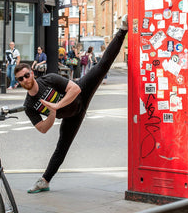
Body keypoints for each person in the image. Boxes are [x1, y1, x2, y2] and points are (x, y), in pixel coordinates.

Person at [15, 15, 128, 194]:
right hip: (71, 116)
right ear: (19, 82)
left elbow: (75, 89)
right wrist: (52, 113)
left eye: (26, 75)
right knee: (61, 148)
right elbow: (43, 129)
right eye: (20, 79)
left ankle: (122, 30)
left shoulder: (49, 79)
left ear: (32, 74)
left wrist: (56, 106)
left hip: (82, 92)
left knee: (101, 67)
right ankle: (44, 181)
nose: (25, 79)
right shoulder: (30, 105)